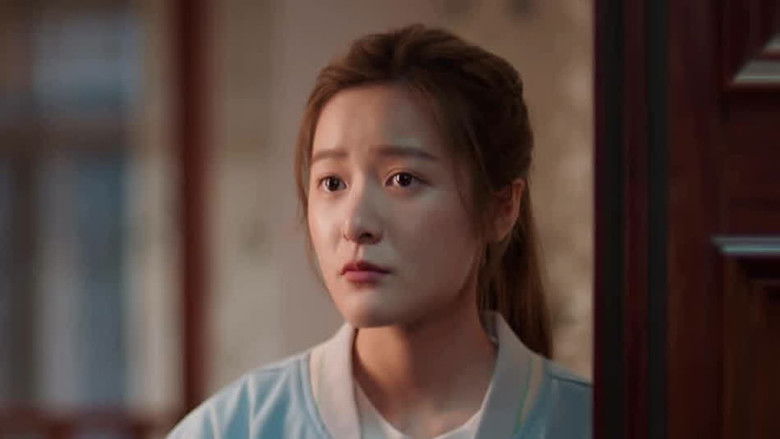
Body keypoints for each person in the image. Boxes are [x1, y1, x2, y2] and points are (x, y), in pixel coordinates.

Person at [167, 23, 591, 439]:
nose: (355, 225)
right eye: (332, 183)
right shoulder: (235, 427)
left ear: (501, 207)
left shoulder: (592, 422)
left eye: (403, 179)